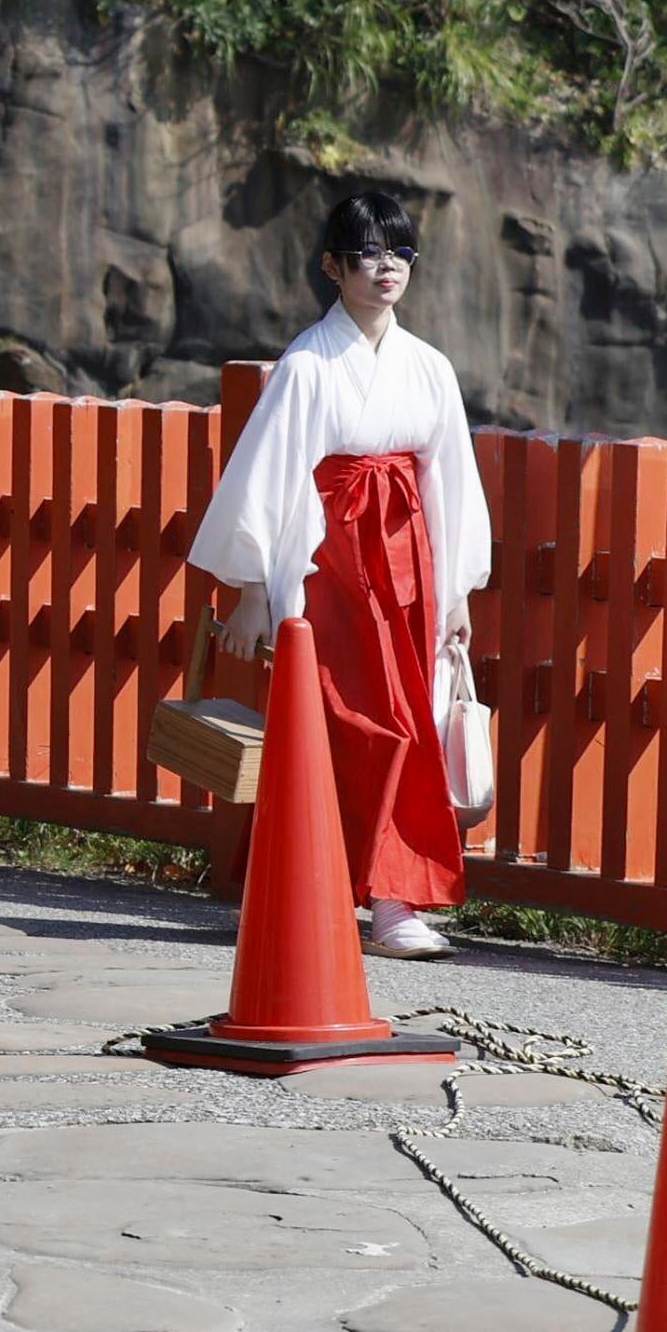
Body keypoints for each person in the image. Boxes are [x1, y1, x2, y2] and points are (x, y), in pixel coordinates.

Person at [186, 189, 491, 959]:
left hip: (410, 567)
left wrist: (455, 588)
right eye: (366, 253)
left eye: (399, 252)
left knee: (409, 723)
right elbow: (268, 471)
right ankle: (324, 887)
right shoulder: (307, 365)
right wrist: (253, 586)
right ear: (332, 266)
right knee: (346, 725)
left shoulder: (428, 368)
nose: (385, 268)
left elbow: (449, 479)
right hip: (330, 563)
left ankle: (393, 897)